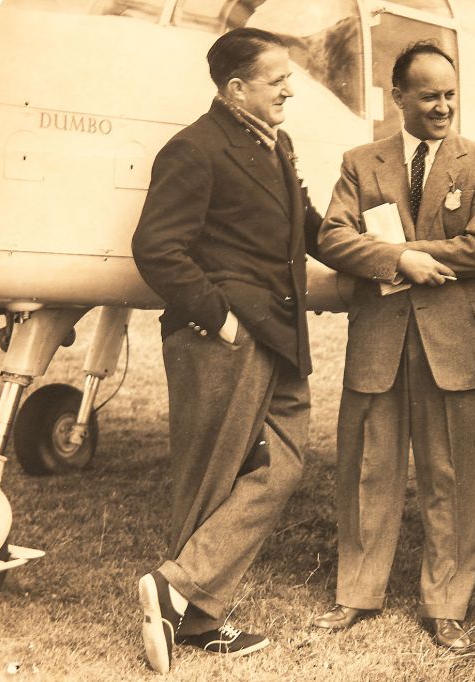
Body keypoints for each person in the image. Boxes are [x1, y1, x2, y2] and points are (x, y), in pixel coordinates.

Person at [131, 28, 323, 674]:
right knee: (210, 479)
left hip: (279, 337)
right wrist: (223, 320)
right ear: (236, 89)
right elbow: (157, 248)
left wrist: (391, 255)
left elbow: (311, 226)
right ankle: (198, 618)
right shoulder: (193, 149)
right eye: (278, 80)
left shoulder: (279, 145)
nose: (290, 89)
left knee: (288, 459)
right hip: (222, 341)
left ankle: (177, 588)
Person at [312, 41, 475, 652]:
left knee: (451, 473)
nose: (443, 106)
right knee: (369, 466)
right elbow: (331, 236)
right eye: (429, 95)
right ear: (398, 97)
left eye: (450, 94)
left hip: (452, 341)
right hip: (380, 338)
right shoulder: (360, 162)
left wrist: (411, 258)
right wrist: (403, 259)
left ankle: (446, 603)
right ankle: (357, 593)